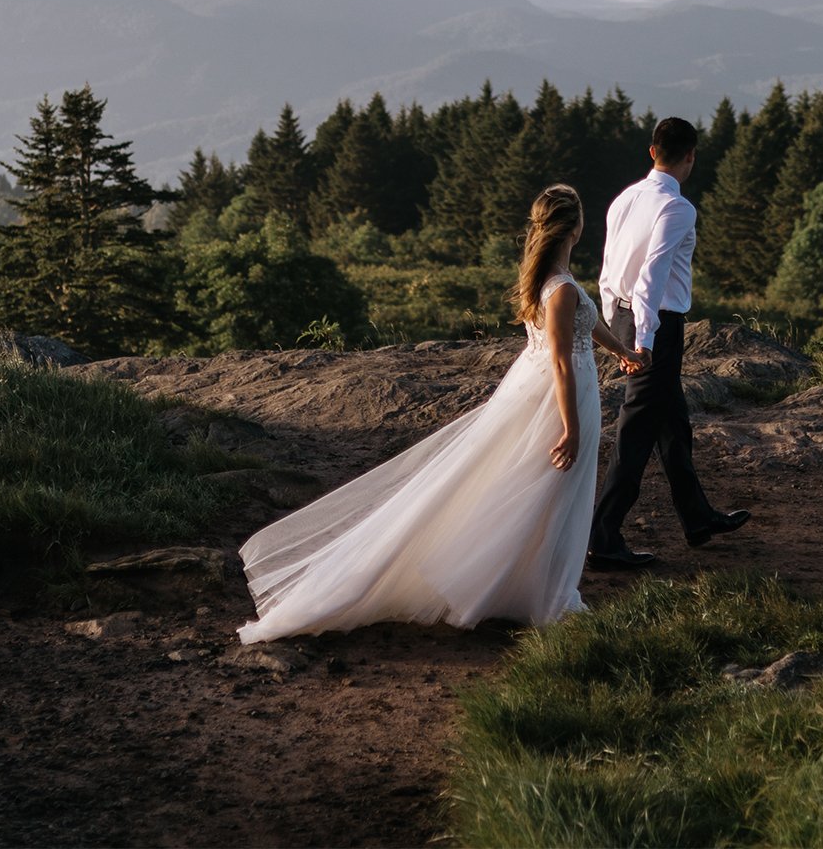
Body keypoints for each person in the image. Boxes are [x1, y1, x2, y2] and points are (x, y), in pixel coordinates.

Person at [235, 183, 645, 642]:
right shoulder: (562, 288)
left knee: (539, 489)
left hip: (545, 392)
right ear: (575, 226)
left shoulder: (553, 278)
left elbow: (584, 330)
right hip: (560, 398)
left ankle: (532, 585)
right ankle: (544, 595)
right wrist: (570, 427)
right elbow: (562, 359)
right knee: (557, 491)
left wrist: (620, 351)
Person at [588, 116, 750, 570]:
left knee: (672, 420)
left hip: (621, 314)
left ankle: (698, 518)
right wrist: (643, 341)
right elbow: (652, 275)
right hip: (655, 325)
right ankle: (604, 537)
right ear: (691, 156)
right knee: (637, 428)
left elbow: (608, 267)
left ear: (652, 151)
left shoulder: (625, 199)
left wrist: (615, 324)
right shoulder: (678, 209)